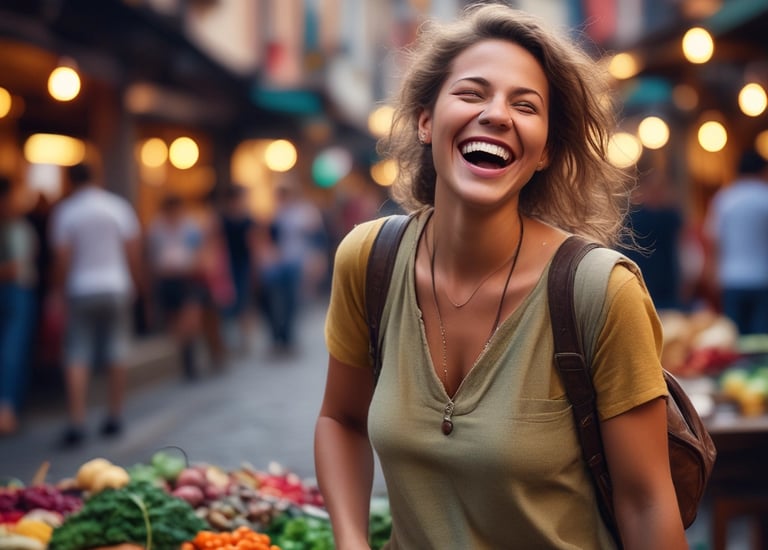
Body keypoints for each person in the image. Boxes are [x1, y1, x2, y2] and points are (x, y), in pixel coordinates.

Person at [314, 4, 686, 549]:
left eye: (525, 105)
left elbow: (647, 503)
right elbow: (341, 420)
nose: (497, 114)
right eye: (471, 93)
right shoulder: (368, 262)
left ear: (545, 151)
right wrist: (351, 541)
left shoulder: (600, 291)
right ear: (425, 120)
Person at [49, 162, 142, 446]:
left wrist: (57, 291)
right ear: (97, 176)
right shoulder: (117, 207)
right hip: (116, 284)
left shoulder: (66, 211)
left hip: (81, 287)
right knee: (116, 349)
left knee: (78, 352)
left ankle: (77, 420)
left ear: (70, 181)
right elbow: (133, 250)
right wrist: (136, 283)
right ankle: (114, 415)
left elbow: (62, 257)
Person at [705, 148, 768, 335]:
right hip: (763, 277)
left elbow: (713, 239)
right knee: (762, 339)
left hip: (731, 278)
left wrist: (712, 273)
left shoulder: (724, 199)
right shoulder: (764, 197)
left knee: (733, 337)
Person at [147, 193, 207, 379]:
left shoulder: (190, 228)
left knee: (190, 320)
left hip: (188, 279)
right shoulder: (155, 230)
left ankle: (190, 357)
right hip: (166, 280)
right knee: (175, 321)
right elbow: (150, 257)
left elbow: (200, 251)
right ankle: (184, 358)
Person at [0, 176, 38, 436]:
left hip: (17, 292)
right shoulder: (12, 227)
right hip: (15, 291)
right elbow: (15, 268)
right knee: (12, 351)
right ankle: (6, 411)